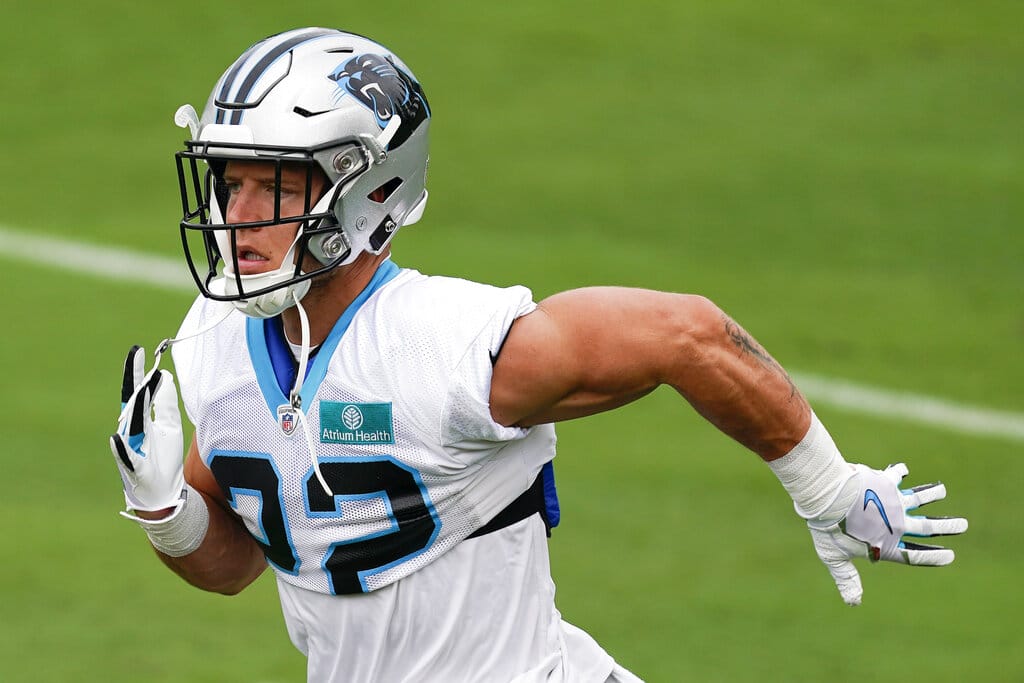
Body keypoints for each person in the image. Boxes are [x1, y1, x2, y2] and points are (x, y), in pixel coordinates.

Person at [107, 27, 968, 683]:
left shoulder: (442, 344)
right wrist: (165, 507)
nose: (237, 216)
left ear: (368, 189)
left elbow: (686, 333)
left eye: (275, 185)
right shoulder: (215, 344)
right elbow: (237, 561)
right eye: (229, 180)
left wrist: (826, 485)